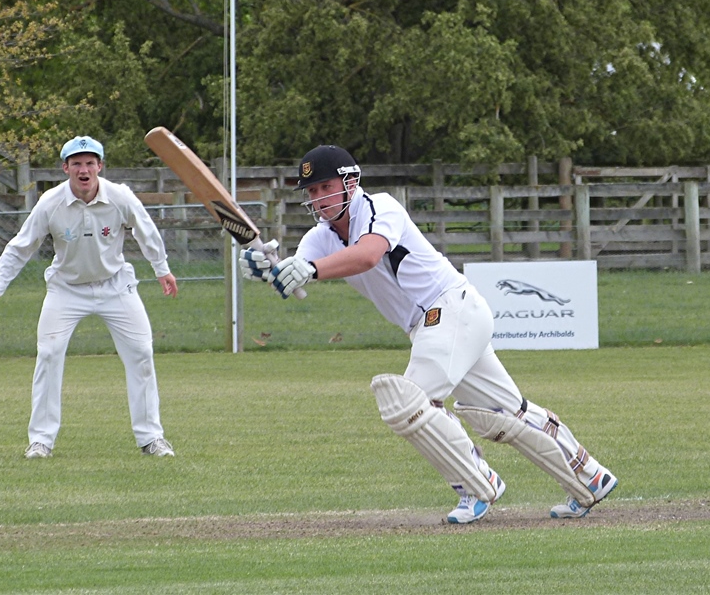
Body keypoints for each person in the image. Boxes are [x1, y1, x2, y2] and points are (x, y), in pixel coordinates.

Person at [239, 145, 618, 523]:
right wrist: (269, 269)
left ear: (349, 182)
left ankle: (478, 485)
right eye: (312, 192)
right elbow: (297, 275)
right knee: (502, 414)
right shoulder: (320, 237)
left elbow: (368, 254)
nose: (319, 199)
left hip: (450, 308)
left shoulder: (379, 206)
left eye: (326, 187)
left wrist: (308, 271)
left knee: (409, 401)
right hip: (440, 324)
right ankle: (590, 478)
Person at [0, 136, 177, 459]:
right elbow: (22, 245)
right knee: (49, 354)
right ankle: (40, 441)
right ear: (66, 168)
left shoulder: (120, 197)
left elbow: (146, 229)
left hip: (115, 286)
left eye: (90, 162)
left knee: (141, 352)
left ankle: (152, 438)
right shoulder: (50, 203)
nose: (84, 169)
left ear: (100, 166)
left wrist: (161, 269)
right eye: (77, 163)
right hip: (66, 289)